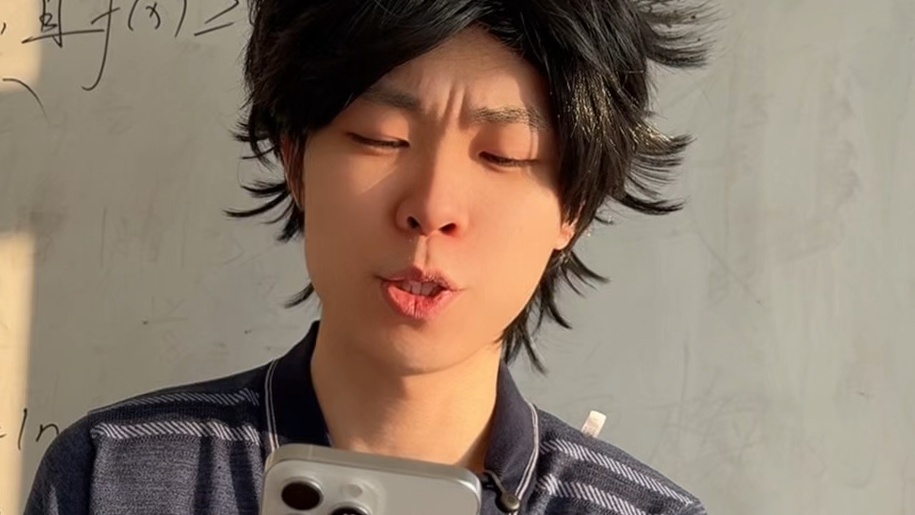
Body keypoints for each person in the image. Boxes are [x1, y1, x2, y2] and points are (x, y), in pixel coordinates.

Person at [25, 0, 710, 513]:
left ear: (572, 208)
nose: (432, 206)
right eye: (382, 137)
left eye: (502, 155)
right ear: (296, 160)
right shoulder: (109, 477)